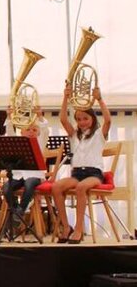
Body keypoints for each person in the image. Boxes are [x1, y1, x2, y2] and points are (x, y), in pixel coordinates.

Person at [53, 86, 111, 244]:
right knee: (56, 187)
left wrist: (99, 99)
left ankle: (79, 229)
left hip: (94, 174)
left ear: (93, 119)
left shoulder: (99, 134)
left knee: (81, 187)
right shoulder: (74, 135)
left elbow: (108, 120)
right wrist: (66, 97)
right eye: (78, 119)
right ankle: (67, 227)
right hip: (77, 173)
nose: (82, 122)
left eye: (85, 118)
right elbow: (63, 120)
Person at [1, 107, 47, 221]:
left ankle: (21, 209)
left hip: (35, 176)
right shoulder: (17, 142)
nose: (31, 132)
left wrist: (40, 116)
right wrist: (9, 117)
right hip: (18, 176)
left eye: (34, 130)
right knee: (6, 187)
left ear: (38, 132)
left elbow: (45, 130)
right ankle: (15, 209)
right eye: (28, 129)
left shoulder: (40, 142)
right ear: (21, 131)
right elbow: (10, 132)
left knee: (29, 184)